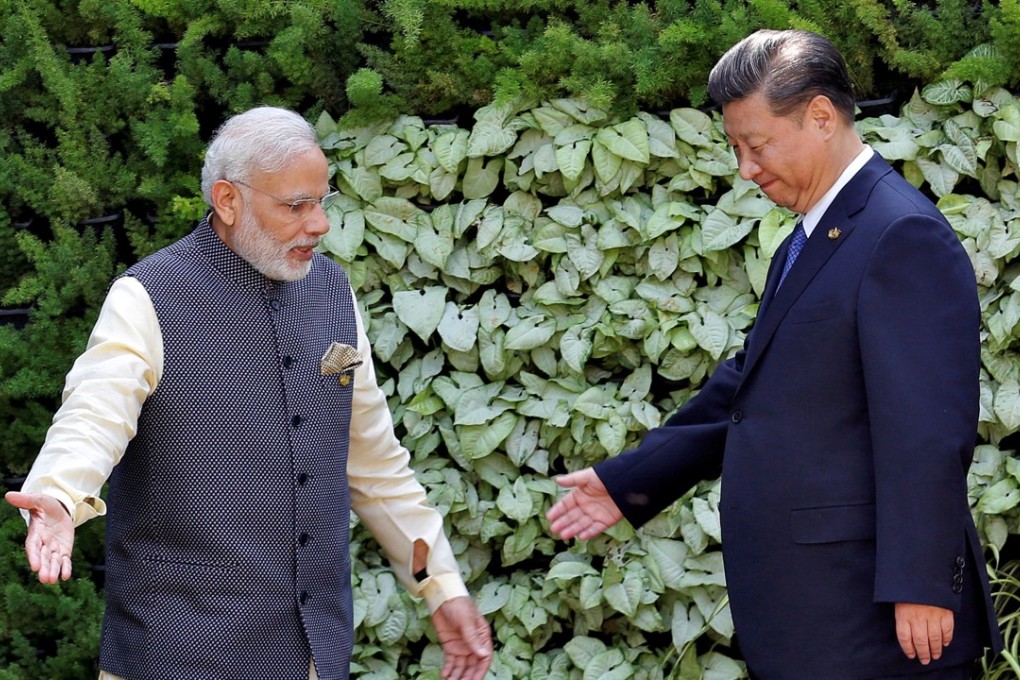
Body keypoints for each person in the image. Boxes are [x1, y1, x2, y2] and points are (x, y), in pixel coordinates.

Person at [547, 29, 1002, 680]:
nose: (746, 169)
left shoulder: (899, 233)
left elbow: (927, 430)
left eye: (755, 145)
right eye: (736, 148)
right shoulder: (819, 235)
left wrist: (923, 582)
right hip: (817, 617)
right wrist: (632, 480)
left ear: (820, 116)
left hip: (879, 630)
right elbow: (752, 387)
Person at [5, 106, 492, 680]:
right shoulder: (149, 296)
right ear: (227, 201)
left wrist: (440, 584)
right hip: (174, 661)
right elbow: (94, 412)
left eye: (322, 201)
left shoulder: (334, 293)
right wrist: (59, 494)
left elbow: (377, 469)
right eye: (295, 206)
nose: (320, 225)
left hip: (313, 662)